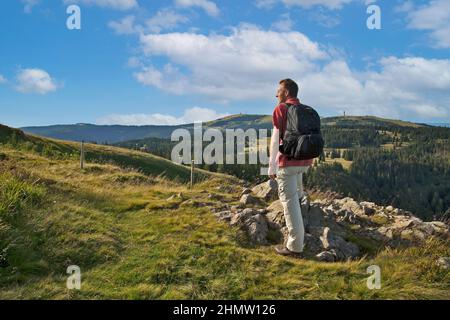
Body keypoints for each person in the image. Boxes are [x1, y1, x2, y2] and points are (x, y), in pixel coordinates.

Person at [268, 79, 314, 257]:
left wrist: (271, 166)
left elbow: (275, 139)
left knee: (289, 203)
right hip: (304, 162)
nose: (276, 94)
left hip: (287, 163)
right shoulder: (305, 110)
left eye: (278, 90)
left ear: (286, 93)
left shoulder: (282, 109)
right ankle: (304, 232)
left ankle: (295, 246)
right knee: (298, 197)